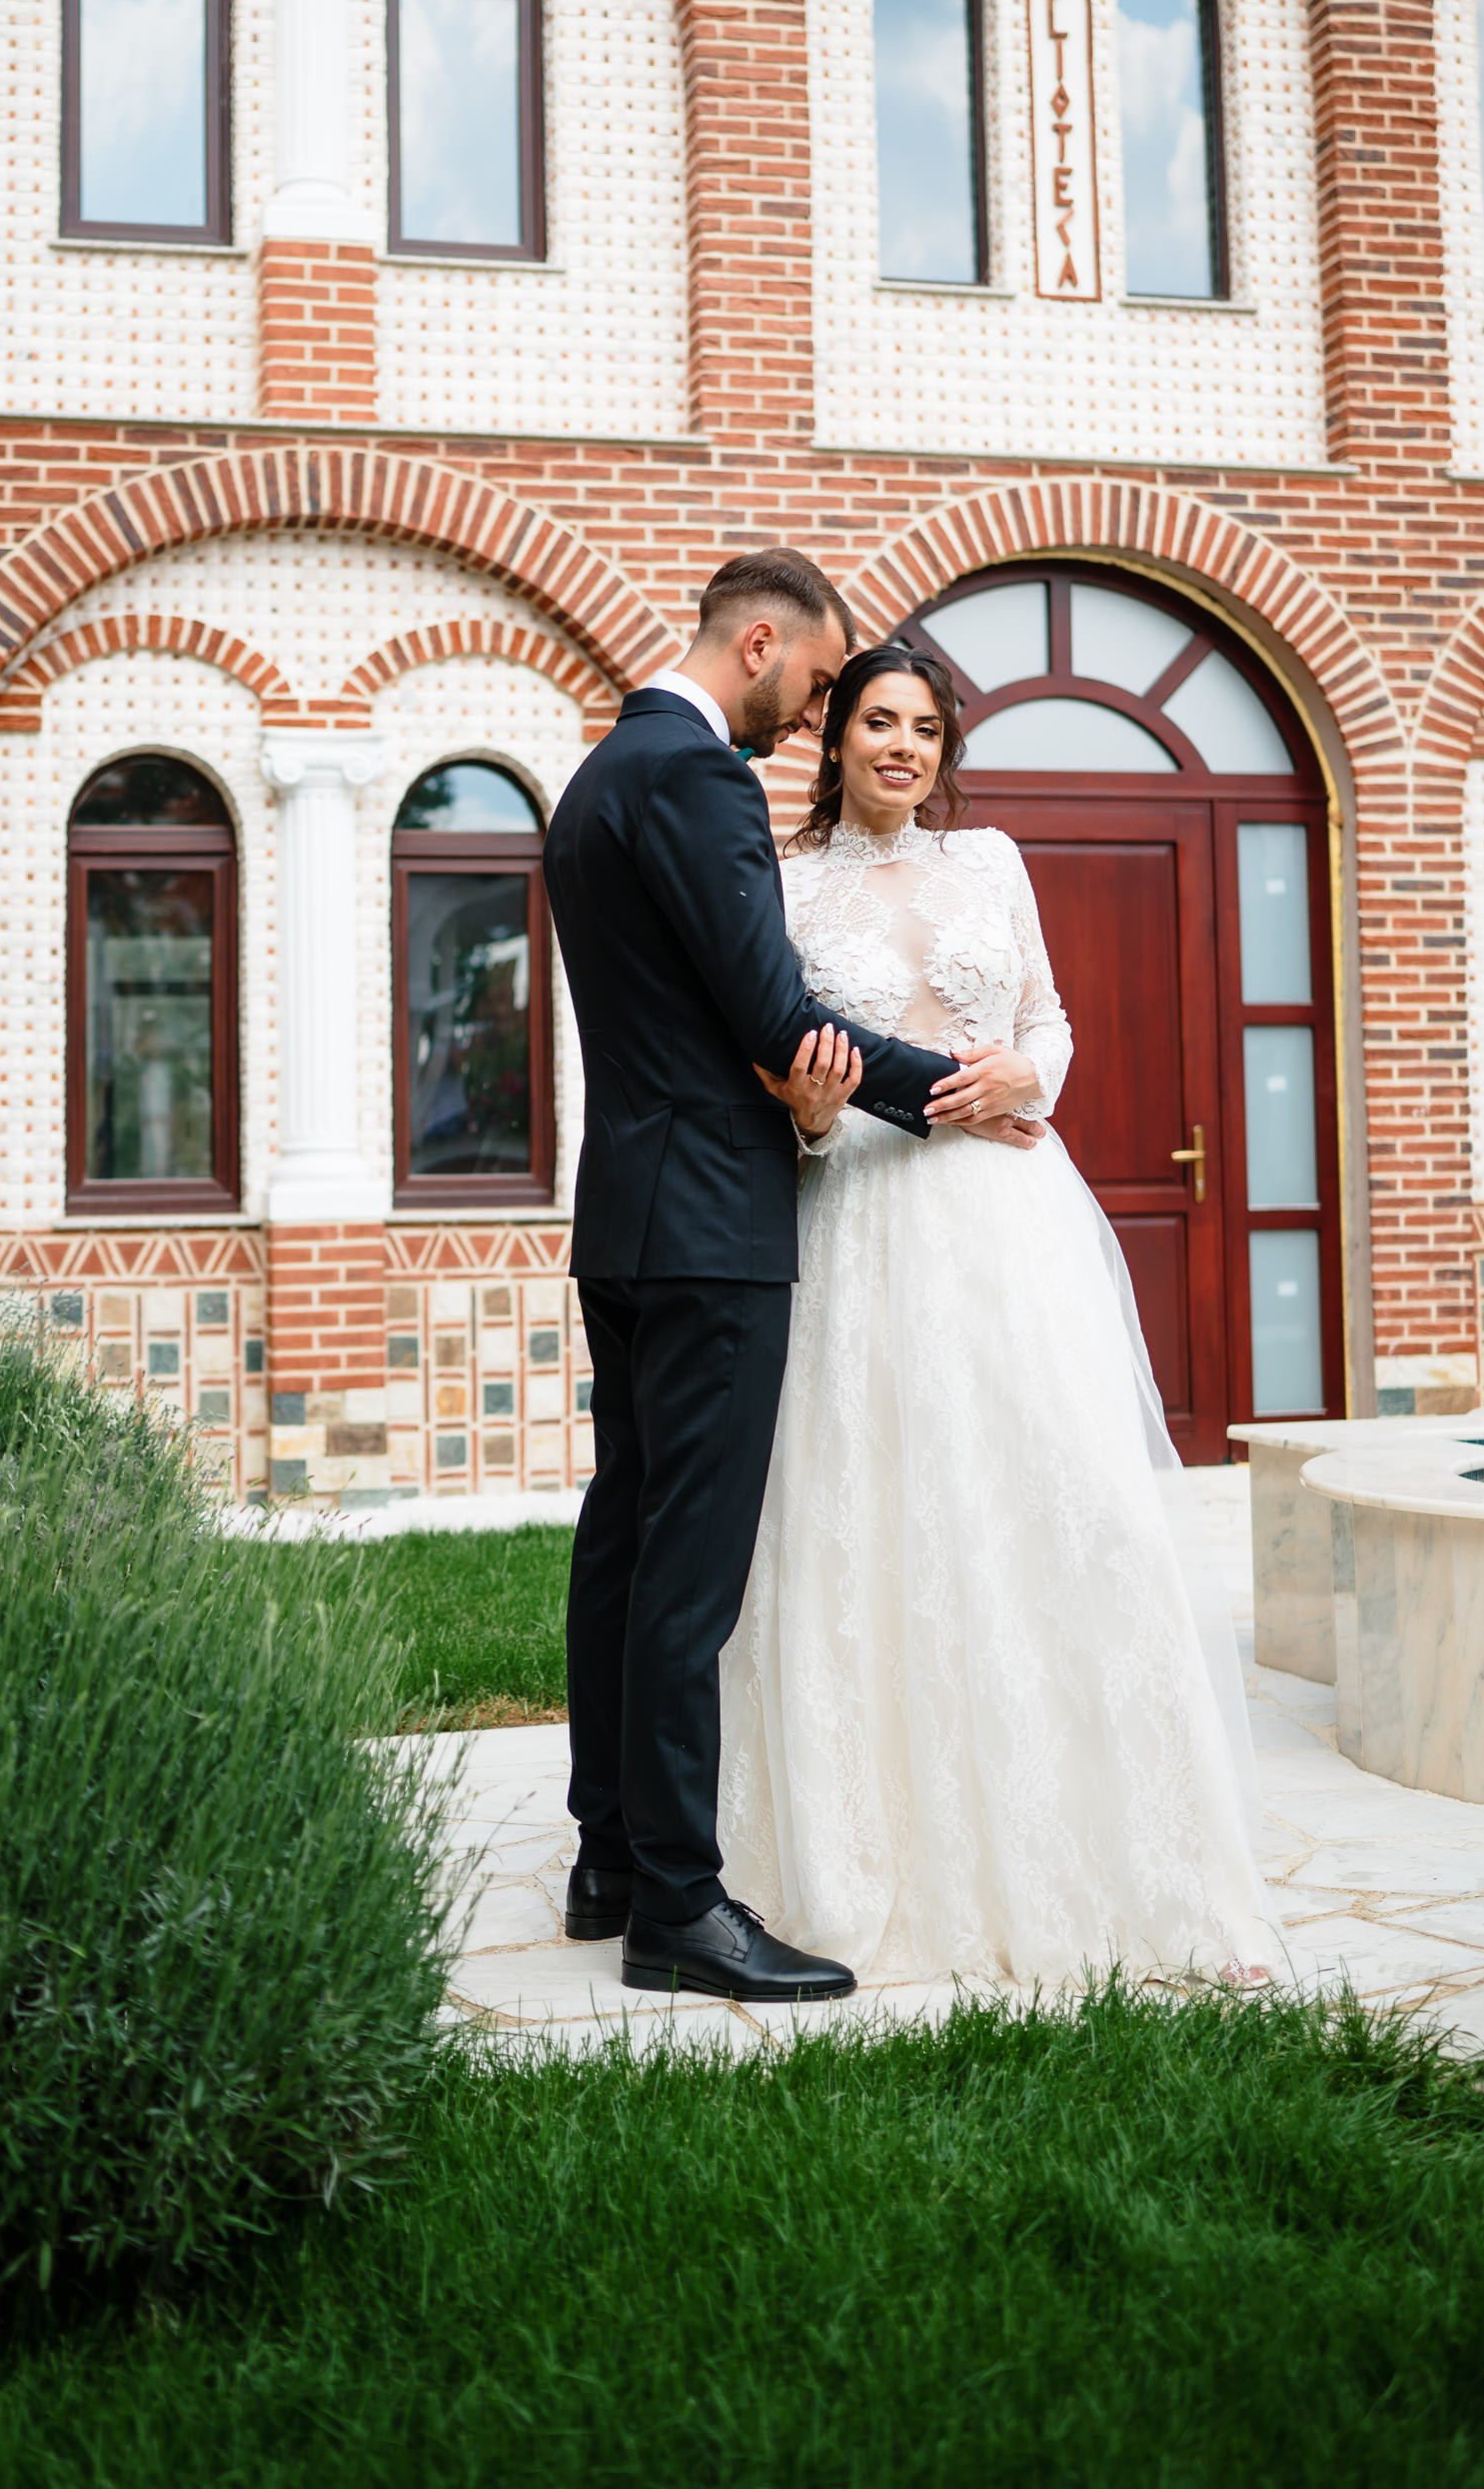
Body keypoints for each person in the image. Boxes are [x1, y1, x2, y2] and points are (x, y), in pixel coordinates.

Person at [717, 639, 1279, 1987]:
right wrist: (804, 1120)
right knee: (876, 1516)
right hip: (859, 1219)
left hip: (1007, 1216)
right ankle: (872, 1861)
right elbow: (782, 1063)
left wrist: (1031, 1074)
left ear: (945, 749)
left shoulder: (998, 865)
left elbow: (1055, 1018)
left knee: (1062, 1500)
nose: (903, 746)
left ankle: (1134, 1862)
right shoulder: (782, 888)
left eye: (926, 727)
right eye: (878, 723)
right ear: (835, 737)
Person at [543, 553, 1038, 2001]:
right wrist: (959, 1089)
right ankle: (683, 1912)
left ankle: (611, 1857)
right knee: (688, 1575)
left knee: (624, 1544)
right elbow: (774, 1013)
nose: (814, 713)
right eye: (817, 685)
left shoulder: (596, 780)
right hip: (713, 1229)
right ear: (757, 642)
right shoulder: (696, 780)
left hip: (628, 1210)